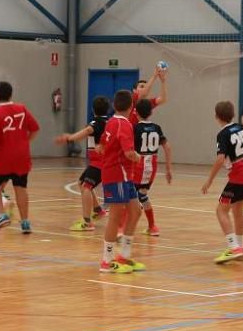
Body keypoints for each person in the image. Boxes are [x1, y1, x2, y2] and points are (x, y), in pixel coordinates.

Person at [202, 100, 243, 263]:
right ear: (233, 114)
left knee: (221, 211)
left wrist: (209, 180)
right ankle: (239, 247)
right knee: (237, 210)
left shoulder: (222, 134)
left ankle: (233, 247)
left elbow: (220, 159)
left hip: (239, 171)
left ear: (216, 116)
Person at [0, 82, 39, 235]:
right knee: (20, 187)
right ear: (11, 94)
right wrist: (24, 143)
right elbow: (35, 129)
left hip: (3, 157)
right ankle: (25, 222)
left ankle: (1, 215)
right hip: (22, 156)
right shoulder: (21, 108)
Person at [98, 90, 142, 274]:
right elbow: (128, 153)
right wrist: (138, 158)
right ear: (131, 107)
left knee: (136, 211)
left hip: (123, 175)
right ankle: (106, 261)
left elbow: (100, 146)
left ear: (114, 105)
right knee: (116, 216)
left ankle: (124, 256)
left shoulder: (111, 122)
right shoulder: (124, 125)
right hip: (117, 175)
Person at [55, 96, 110, 231]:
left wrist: (69, 138)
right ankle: (98, 210)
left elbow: (87, 131)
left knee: (86, 187)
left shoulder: (96, 122)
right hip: (101, 162)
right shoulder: (109, 122)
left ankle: (87, 222)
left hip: (99, 162)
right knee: (82, 183)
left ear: (93, 109)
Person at [132, 98, 173, 237]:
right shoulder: (156, 127)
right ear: (151, 113)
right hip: (152, 165)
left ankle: (122, 228)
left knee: (130, 196)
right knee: (142, 195)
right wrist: (168, 169)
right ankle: (152, 227)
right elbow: (167, 147)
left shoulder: (135, 128)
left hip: (139, 164)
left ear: (136, 112)